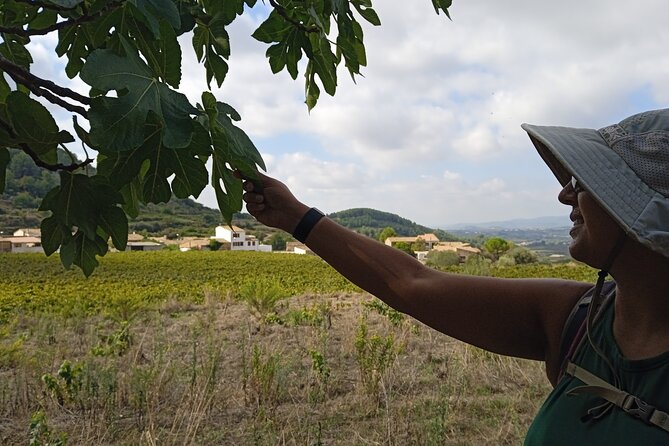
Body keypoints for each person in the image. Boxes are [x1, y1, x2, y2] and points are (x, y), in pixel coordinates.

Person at [239, 108, 669, 445]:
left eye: (589, 182)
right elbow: (412, 284)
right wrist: (297, 217)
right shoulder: (578, 321)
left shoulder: (574, 323)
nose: (564, 193)